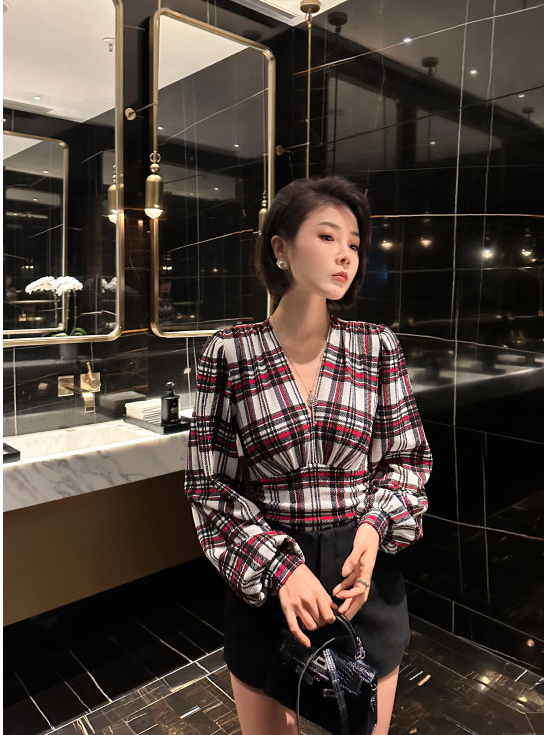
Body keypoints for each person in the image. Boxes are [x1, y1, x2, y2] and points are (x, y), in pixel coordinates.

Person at [184, 176, 433, 735]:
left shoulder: (376, 347)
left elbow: (407, 460)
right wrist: (282, 569)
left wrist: (373, 529)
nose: (346, 254)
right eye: (327, 236)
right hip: (269, 573)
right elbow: (209, 486)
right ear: (281, 247)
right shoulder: (230, 352)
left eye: (354, 243)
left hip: (360, 577)